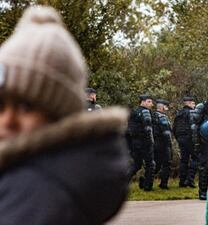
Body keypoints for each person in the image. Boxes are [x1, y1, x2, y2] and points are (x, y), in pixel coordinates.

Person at [0, 6, 129, 224]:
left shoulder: (36, 190)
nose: (7, 121)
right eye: (1, 105)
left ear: (59, 112)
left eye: (26, 107)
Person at [127, 94, 155, 191]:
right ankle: (148, 187)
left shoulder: (134, 112)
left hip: (135, 143)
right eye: (149, 101)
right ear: (142, 102)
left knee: (136, 165)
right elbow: (148, 129)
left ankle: (122, 183)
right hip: (145, 142)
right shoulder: (145, 112)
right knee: (150, 164)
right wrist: (151, 141)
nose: (151, 104)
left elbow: (128, 130)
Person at [173, 96, 197, 188]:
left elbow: (174, 128)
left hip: (180, 139)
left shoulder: (178, 114)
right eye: (193, 103)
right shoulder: (191, 112)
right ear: (189, 103)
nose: (194, 105)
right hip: (189, 138)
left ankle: (182, 182)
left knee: (184, 160)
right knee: (196, 158)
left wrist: (178, 138)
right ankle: (190, 180)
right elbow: (193, 127)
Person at [153, 99, 173, 189]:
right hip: (163, 143)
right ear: (162, 107)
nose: (167, 108)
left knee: (156, 164)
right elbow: (166, 133)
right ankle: (163, 184)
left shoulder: (153, 116)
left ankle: (146, 180)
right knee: (166, 163)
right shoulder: (162, 117)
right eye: (166, 106)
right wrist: (169, 144)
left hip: (155, 143)